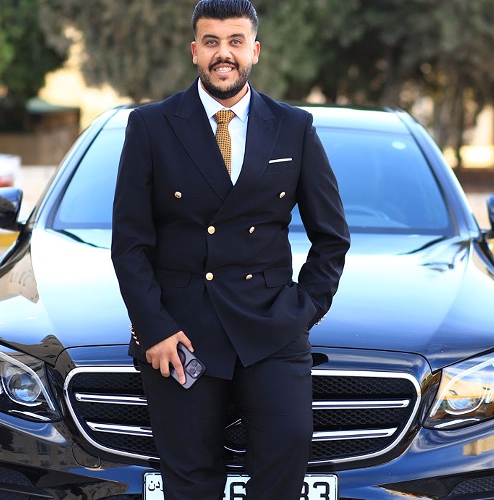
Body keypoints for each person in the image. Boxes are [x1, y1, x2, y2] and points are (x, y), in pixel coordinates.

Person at [111, 0, 350, 498]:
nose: (224, 53)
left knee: (284, 465)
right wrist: (154, 328)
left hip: (271, 326)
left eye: (236, 41)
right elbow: (130, 243)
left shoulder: (293, 127)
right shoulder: (151, 125)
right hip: (181, 335)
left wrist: (302, 312)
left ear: (255, 51)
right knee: (190, 482)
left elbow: (331, 236)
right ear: (194, 51)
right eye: (212, 42)